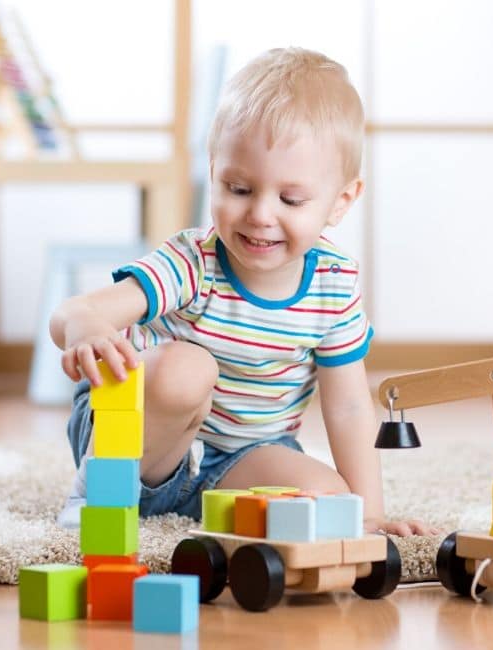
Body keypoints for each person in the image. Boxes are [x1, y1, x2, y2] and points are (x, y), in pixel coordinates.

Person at [51, 47, 437, 537]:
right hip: (140, 442)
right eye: (238, 189)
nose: (260, 214)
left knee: (332, 505)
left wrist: (369, 515)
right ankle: (98, 490)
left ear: (340, 202)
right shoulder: (192, 262)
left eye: (291, 199)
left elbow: (349, 406)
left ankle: (208, 510)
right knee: (188, 369)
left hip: (241, 460)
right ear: (214, 172)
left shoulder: (333, 285)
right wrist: (86, 327)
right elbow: (73, 312)